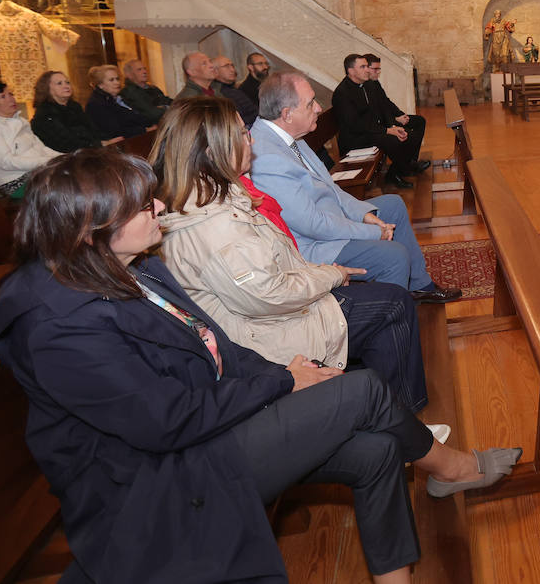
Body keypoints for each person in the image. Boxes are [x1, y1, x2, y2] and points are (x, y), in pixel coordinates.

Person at [0, 149, 521, 584]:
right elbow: (165, 422)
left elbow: (216, 345)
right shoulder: (58, 326)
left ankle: (397, 571)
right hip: (159, 476)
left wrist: (284, 373)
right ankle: (452, 469)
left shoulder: (135, 268)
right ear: (87, 228)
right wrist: (284, 380)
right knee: (365, 391)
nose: (159, 210)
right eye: (141, 207)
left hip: (211, 429)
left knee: (378, 449)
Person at [153, 97, 428, 411]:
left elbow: (275, 263)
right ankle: (401, 420)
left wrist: (323, 273)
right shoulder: (213, 223)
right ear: (214, 150)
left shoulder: (213, 196)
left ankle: (379, 408)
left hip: (278, 310)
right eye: (242, 134)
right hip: (265, 335)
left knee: (388, 301)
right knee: (393, 304)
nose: (251, 140)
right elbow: (269, 296)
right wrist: (331, 274)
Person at [252, 71, 461, 301]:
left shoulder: (288, 135)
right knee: (395, 255)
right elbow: (312, 224)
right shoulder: (267, 157)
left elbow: (331, 189)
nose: (319, 108)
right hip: (314, 246)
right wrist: (372, 232)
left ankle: (419, 284)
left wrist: (364, 215)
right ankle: (388, 322)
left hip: (329, 220)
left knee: (393, 205)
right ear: (287, 114)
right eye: (311, 102)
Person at [333, 54, 425, 190]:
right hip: (355, 138)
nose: (367, 70)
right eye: (363, 67)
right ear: (351, 71)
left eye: (366, 66)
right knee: (396, 140)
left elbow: (382, 107)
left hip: (371, 131)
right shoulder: (342, 93)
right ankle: (396, 173)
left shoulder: (368, 85)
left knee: (407, 135)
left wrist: (391, 125)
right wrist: (387, 130)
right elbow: (355, 124)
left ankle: (401, 169)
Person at [0, 81, 59, 198]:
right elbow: (6, 162)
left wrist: (64, 156)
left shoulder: (19, 120)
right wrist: (48, 161)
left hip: (38, 171)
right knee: (70, 182)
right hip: (16, 182)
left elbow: (41, 148)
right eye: (3, 96)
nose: (11, 99)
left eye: (11, 94)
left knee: (78, 170)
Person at [364, 52, 427, 165]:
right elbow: (377, 112)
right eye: (375, 69)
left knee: (420, 121)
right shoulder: (364, 86)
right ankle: (402, 168)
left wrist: (400, 115)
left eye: (379, 69)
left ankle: (412, 161)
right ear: (366, 68)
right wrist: (394, 122)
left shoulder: (374, 82)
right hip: (381, 126)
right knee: (408, 135)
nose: (378, 72)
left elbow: (386, 101)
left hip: (388, 120)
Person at [30, 71, 110, 151]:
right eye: (59, 83)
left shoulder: (75, 106)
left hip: (88, 150)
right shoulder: (45, 113)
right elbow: (65, 143)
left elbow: (92, 129)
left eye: (67, 82)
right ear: (46, 88)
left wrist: (106, 141)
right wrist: (97, 144)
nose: (66, 86)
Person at [85, 64, 150, 141]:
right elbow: (115, 131)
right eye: (111, 80)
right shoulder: (96, 104)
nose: (117, 83)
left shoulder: (119, 97)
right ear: (100, 85)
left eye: (117, 79)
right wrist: (144, 130)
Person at [210, 55, 260, 127]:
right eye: (226, 66)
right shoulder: (220, 94)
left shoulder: (234, 89)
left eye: (232, 66)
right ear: (215, 71)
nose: (232, 70)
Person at [120, 58, 170, 124]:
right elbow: (152, 114)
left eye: (144, 68)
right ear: (129, 75)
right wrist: (166, 107)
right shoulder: (129, 92)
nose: (144, 72)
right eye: (139, 70)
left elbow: (168, 101)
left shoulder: (153, 88)